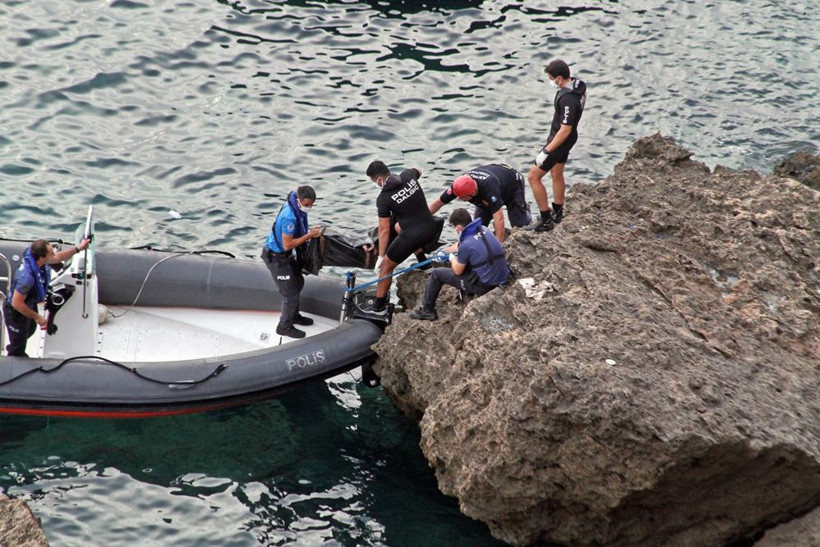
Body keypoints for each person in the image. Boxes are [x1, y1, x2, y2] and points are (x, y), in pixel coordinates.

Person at [365, 160, 438, 315]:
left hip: (414, 236)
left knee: (387, 267)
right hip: (431, 228)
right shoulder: (408, 175)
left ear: (379, 180)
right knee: (398, 226)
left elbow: (384, 230)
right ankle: (425, 264)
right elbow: (419, 169)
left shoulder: (383, 199)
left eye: (374, 182)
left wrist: (381, 256)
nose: (376, 185)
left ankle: (378, 307)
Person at [410, 208, 509, 321]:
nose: (455, 231)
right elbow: (461, 244)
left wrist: (452, 258)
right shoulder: (484, 229)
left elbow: (458, 270)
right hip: (502, 277)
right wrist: (445, 251)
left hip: (485, 285)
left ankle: (427, 311)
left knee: (437, 274)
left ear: (458, 227)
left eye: (454, 228)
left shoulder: (466, 245)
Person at [4, 238, 91, 357]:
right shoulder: (27, 278)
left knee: (30, 330)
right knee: (18, 344)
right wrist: (37, 316)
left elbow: (56, 257)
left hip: (29, 302)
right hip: (16, 311)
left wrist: (78, 249)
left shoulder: (37, 258)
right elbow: (16, 303)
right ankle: (13, 359)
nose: (53, 254)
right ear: (41, 258)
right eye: (50, 252)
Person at [527, 59, 587, 232]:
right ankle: (558, 211)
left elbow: (565, 129)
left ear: (560, 79)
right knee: (556, 172)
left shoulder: (568, 99)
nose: (551, 82)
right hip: (567, 139)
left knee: (533, 176)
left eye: (551, 78)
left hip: (560, 140)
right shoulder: (579, 85)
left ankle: (546, 220)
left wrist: (546, 151)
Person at [261, 185, 323, 339]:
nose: (309, 208)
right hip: (276, 257)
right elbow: (288, 244)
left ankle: (294, 316)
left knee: (298, 282)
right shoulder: (289, 217)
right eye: (307, 205)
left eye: (311, 205)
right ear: (298, 200)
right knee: (290, 293)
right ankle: (284, 326)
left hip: (285, 255)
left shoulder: (296, 207)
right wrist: (309, 235)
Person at [428, 163, 531, 243]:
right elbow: (438, 202)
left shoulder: (489, 187)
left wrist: (499, 246)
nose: (459, 198)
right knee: (477, 230)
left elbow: (499, 219)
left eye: (463, 197)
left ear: (472, 192)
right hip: (486, 197)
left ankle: (525, 211)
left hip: (512, 185)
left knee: (520, 228)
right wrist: (421, 218)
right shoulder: (459, 185)